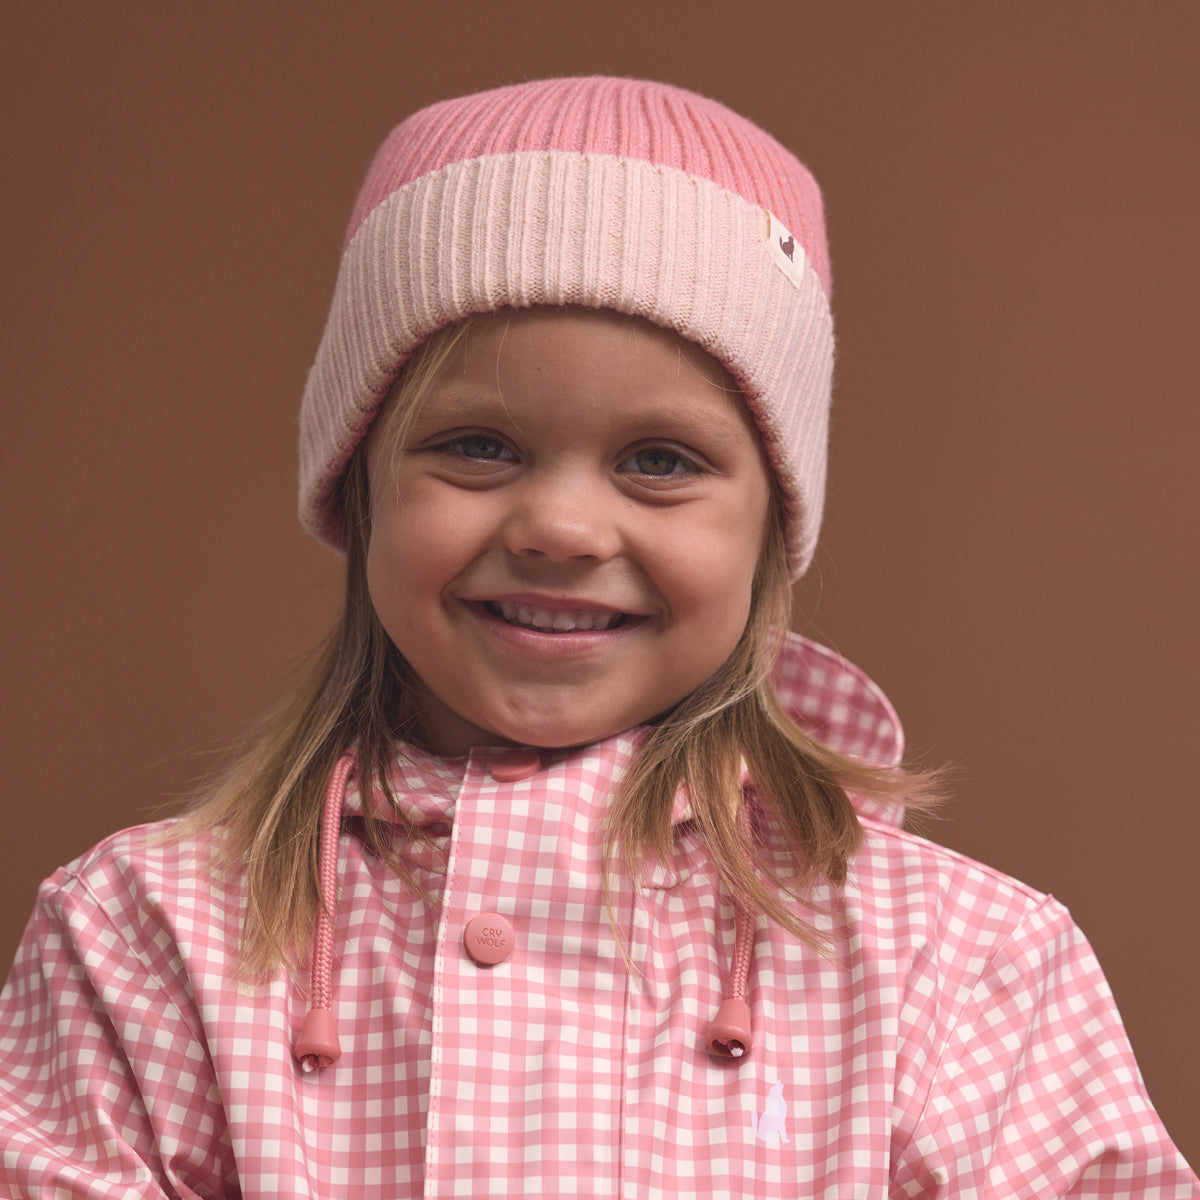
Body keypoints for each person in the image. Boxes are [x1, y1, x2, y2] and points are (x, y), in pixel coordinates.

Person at [0, 76, 1194, 1199]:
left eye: (659, 461)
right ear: (358, 486)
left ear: (770, 528)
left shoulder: (957, 961)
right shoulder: (141, 934)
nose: (562, 528)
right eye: (478, 447)